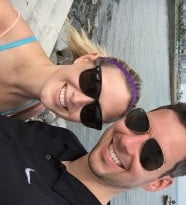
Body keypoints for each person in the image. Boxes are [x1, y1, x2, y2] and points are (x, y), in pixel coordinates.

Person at [0, 102, 186, 205]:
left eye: (152, 154)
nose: (126, 142)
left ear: (156, 184)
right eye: (139, 123)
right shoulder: (64, 139)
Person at [0, 0, 141, 129]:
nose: (76, 99)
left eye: (92, 113)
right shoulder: (5, 24)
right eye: (92, 85)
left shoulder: (30, 109)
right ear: (85, 59)